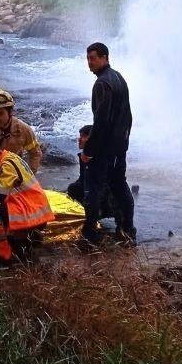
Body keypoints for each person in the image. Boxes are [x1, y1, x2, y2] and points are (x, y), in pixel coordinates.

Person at [81, 42, 136, 246]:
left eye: (93, 58)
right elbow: (127, 117)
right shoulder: (118, 77)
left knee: (93, 187)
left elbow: (102, 122)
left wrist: (89, 150)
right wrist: (123, 143)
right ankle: (127, 228)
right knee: (118, 184)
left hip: (106, 147)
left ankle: (90, 233)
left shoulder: (103, 83)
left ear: (104, 57)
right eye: (87, 59)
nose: (89, 63)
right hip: (119, 145)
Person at [0, 138, 54, 265]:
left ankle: (5, 255)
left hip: (30, 210)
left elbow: (0, 196)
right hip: (36, 207)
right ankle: (22, 242)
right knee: (2, 210)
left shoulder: (6, 165)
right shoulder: (11, 157)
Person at [67, 124, 118, 219]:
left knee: (77, 189)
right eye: (80, 136)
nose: (79, 139)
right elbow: (83, 178)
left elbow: (104, 183)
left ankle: (99, 212)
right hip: (95, 191)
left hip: (105, 196)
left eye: (83, 136)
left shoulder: (99, 157)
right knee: (73, 188)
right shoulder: (84, 156)